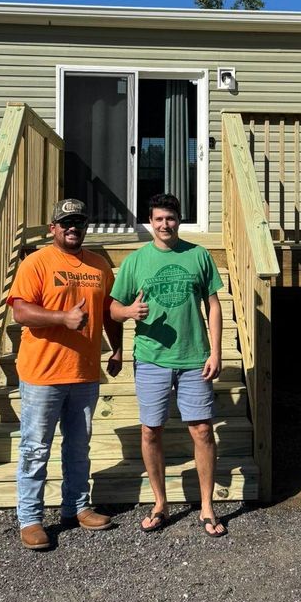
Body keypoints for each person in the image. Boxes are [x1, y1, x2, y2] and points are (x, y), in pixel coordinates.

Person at [7, 197, 123, 550]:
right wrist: (62, 318)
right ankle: (30, 518)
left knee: (79, 445)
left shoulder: (99, 265)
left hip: (84, 372)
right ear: (52, 228)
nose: (73, 228)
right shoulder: (36, 263)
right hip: (43, 373)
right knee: (35, 447)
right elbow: (21, 312)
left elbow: (106, 310)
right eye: (66, 223)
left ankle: (77, 506)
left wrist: (117, 348)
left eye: (80, 223)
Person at [110, 193, 227, 537]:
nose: (165, 224)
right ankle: (160, 502)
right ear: (151, 221)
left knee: (203, 431)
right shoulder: (136, 261)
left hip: (194, 358)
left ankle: (206, 505)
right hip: (151, 359)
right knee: (151, 431)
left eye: (171, 218)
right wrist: (129, 312)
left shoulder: (198, 255)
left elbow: (214, 305)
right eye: (159, 219)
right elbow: (113, 309)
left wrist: (216, 351)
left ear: (179, 220)